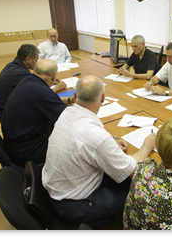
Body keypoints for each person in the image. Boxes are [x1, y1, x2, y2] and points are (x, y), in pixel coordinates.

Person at [42, 75, 156, 224]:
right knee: (142, 191)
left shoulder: (67, 113)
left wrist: (111, 140)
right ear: (102, 98)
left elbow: (89, 138)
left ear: (75, 96)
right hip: (74, 205)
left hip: (56, 190)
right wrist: (147, 146)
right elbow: (130, 169)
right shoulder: (96, 137)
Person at [2, 59, 74, 166]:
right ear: (54, 77)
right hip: (28, 150)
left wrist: (67, 100)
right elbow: (68, 119)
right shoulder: (43, 93)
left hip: (14, 143)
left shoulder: (28, 81)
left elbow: (43, 100)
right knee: (74, 146)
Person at [0, 44, 66, 112]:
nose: (37, 63)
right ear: (28, 59)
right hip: (12, 111)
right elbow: (41, 95)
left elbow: (34, 82)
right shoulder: (20, 73)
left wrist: (50, 81)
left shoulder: (13, 65)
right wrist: (58, 87)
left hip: (7, 105)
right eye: (36, 60)